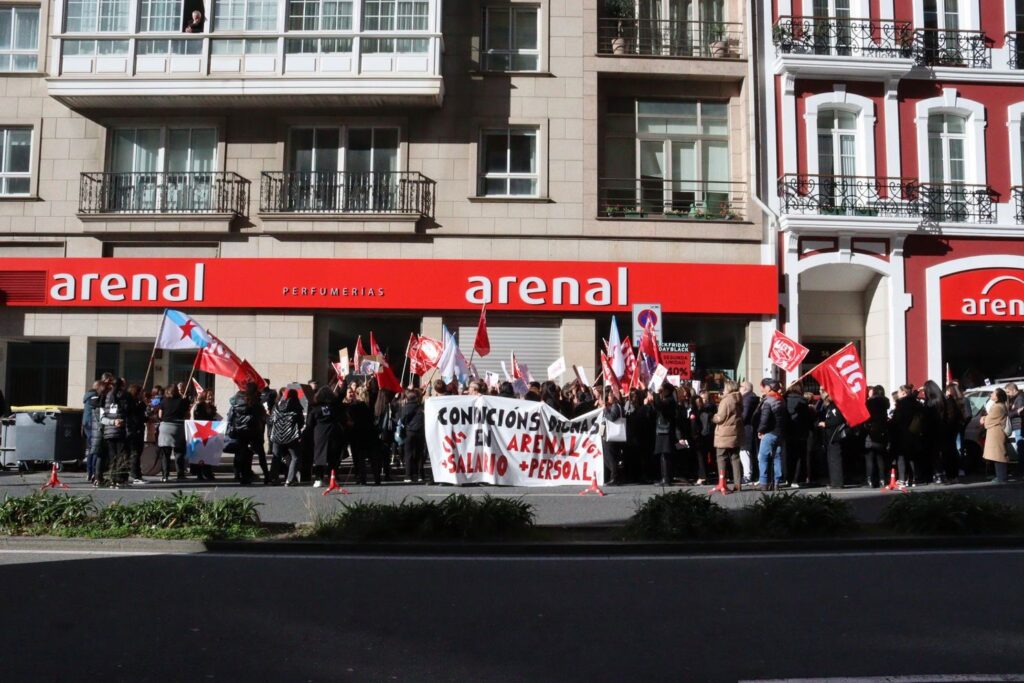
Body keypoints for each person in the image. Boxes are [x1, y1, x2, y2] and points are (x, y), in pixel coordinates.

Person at [305, 386, 345, 487]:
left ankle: (319, 478)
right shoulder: (335, 406)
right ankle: (332, 478)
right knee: (333, 457)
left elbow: (309, 424)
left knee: (319, 456)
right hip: (334, 432)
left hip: (320, 434)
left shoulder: (315, 408)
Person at [226, 388, 263, 485]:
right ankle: (246, 475)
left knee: (240, 454)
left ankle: (238, 474)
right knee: (248, 454)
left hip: (238, 432)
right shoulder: (252, 406)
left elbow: (230, 418)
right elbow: (257, 419)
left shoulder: (234, 406)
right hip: (250, 432)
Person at [755, 378, 787, 490]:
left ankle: (763, 483)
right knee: (777, 457)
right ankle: (776, 483)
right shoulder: (781, 399)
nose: (761, 389)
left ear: (768, 387)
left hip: (769, 433)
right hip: (780, 433)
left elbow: (765, 419)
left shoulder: (768, 401)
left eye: (762, 386)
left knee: (762, 457)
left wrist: (760, 430)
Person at [712, 380, 743, 491]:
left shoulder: (726, 401)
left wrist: (714, 417)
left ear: (729, 388)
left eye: (725, 387)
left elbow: (720, 418)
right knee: (735, 458)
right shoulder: (739, 399)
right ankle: (738, 484)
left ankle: (722, 483)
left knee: (721, 458)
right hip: (735, 433)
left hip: (724, 434)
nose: (723, 390)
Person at [99, 378, 130, 488]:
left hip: (109, 430)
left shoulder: (106, 396)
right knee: (122, 455)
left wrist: (111, 422)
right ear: (122, 385)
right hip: (121, 430)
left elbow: (102, 416)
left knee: (112, 456)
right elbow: (128, 411)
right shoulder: (125, 395)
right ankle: (120, 479)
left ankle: (113, 479)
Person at [348, 386, 381, 485]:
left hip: (359, 434)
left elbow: (351, 421)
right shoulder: (371, 406)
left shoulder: (354, 407)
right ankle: (377, 478)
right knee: (373, 458)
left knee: (360, 459)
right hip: (371, 433)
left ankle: (362, 479)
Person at [891, 384, 923, 487]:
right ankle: (913, 478)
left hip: (902, 432)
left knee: (901, 457)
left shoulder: (901, 404)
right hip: (914, 432)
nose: (898, 394)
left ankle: (902, 479)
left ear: (904, 393)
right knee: (912, 456)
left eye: (899, 392)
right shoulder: (916, 403)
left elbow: (896, 419)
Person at [270, 389, 304, 486]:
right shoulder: (297, 406)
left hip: (276, 434)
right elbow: (300, 422)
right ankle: (290, 480)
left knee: (276, 456)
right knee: (295, 457)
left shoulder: (277, 405)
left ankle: (273, 478)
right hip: (291, 435)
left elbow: (271, 419)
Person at [157, 385, 190, 482]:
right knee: (179, 452)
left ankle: (164, 476)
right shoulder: (183, 401)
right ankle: (180, 474)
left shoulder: (163, 401)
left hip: (165, 427)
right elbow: (187, 415)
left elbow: (160, 415)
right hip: (178, 427)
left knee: (165, 453)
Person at [784, 383, 812, 488]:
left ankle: (788, 478)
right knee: (799, 457)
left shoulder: (784, 400)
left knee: (788, 456)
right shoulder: (803, 402)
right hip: (801, 433)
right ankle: (796, 479)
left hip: (788, 432)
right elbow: (807, 419)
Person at [651, 382, 678, 486]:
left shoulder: (670, 400)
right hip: (663, 430)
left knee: (665, 455)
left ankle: (666, 478)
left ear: (667, 390)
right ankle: (665, 477)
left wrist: (656, 394)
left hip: (665, 430)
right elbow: (657, 408)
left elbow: (660, 406)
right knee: (663, 455)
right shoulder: (667, 400)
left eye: (662, 390)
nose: (661, 392)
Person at [819, 391, 847, 489]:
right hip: (830, 437)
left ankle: (837, 482)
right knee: (831, 460)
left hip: (835, 436)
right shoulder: (830, 407)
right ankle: (834, 481)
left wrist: (825, 423)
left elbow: (837, 419)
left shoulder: (835, 406)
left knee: (835, 460)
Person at [864, 385, 891, 488]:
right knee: (880, 457)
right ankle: (882, 480)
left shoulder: (869, 402)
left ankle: (870, 480)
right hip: (882, 431)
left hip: (870, 431)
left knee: (870, 457)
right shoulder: (885, 401)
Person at [922, 380, 947, 484]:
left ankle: (936, 474)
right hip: (942, 429)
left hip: (931, 431)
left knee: (933, 454)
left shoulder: (930, 403)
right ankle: (940, 474)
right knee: (939, 453)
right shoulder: (942, 400)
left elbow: (926, 417)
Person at [983, 388, 1010, 483]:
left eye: (994, 393)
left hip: (996, 433)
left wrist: (984, 419)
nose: (991, 394)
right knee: (997, 456)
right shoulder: (1000, 405)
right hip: (996, 433)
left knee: (999, 456)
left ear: (998, 396)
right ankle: (1000, 476)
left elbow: (988, 421)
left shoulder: (997, 407)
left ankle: (1001, 477)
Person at [191, 390, 219, 481]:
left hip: (210, 432)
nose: (211, 397)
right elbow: (196, 418)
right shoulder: (199, 406)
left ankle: (208, 472)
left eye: (212, 395)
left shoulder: (212, 407)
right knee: (200, 453)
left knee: (208, 453)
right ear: (205, 396)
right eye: (209, 395)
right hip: (201, 432)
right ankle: (199, 473)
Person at [400, 389, 426, 483]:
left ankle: (408, 476)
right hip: (420, 432)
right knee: (419, 454)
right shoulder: (421, 407)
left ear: (407, 398)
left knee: (408, 454)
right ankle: (420, 475)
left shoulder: (405, 407)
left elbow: (402, 420)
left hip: (409, 432)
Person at [125, 384, 148, 485]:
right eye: (142, 392)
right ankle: (135, 476)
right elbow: (137, 417)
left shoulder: (136, 403)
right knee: (135, 453)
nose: (143, 394)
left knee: (137, 453)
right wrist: (143, 405)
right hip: (134, 430)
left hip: (137, 429)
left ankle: (138, 474)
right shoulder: (133, 404)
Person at [600, 387, 623, 485]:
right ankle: (610, 476)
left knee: (611, 457)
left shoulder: (615, 406)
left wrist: (605, 409)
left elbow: (611, 418)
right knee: (608, 456)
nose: (608, 398)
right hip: (607, 435)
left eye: (609, 395)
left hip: (612, 436)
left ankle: (615, 478)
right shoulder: (611, 406)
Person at [738, 381, 758, 485]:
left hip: (746, 429)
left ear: (745, 388)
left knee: (744, 452)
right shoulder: (752, 397)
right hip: (750, 429)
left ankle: (747, 475)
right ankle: (750, 474)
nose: (739, 388)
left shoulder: (747, 399)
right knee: (747, 452)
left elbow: (744, 416)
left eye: (740, 386)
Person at [1005, 383, 1024, 476]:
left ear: (1013, 390)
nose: (1007, 394)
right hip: (1018, 426)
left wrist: (1010, 413)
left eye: (1008, 392)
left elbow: (1019, 412)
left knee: (1021, 448)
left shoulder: (1019, 398)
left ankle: (1021, 470)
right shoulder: (1017, 398)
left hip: (1019, 426)